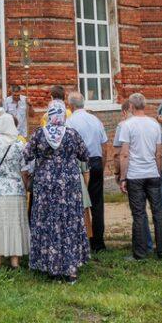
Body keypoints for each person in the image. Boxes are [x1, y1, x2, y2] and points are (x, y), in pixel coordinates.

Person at [26, 100, 89, 282]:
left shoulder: (40, 134)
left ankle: (50, 268)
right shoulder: (71, 134)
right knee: (69, 222)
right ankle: (71, 270)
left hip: (46, 184)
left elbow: (26, 154)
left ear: (49, 114)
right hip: (69, 183)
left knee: (48, 221)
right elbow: (85, 155)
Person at [118, 92, 162, 259]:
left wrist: (123, 177)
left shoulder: (127, 125)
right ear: (144, 106)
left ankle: (140, 253)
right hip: (153, 172)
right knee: (158, 213)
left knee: (139, 214)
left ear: (131, 107)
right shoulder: (155, 124)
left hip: (135, 175)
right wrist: (158, 172)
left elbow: (124, 154)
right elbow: (159, 153)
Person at [0, 112, 29, 269]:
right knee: (14, 224)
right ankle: (15, 260)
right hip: (15, 190)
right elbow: (24, 171)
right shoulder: (19, 144)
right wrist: (24, 185)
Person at [65, 92, 109, 252]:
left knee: (79, 203)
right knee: (97, 204)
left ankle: (82, 240)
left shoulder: (69, 122)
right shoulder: (95, 119)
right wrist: (101, 165)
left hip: (79, 164)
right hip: (96, 161)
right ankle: (98, 242)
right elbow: (104, 145)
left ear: (70, 105)